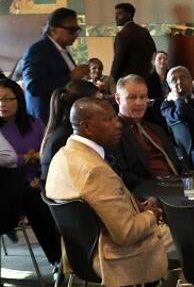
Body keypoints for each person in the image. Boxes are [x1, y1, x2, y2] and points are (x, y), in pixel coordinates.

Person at [45, 97, 173, 287]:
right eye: (108, 119)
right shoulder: (94, 169)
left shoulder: (63, 155)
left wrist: (136, 208)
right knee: (190, 234)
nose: (118, 124)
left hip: (80, 253)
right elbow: (127, 233)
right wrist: (151, 215)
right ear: (86, 127)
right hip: (113, 256)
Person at [0, 79, 61, 266]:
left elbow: (47, 154)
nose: (2, 104)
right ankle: (57, 260)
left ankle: (64, 258)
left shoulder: (35, 123)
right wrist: (23, 158)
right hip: (7, 186)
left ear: (18, 99)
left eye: (7, 99)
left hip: (37, 179)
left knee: (46, 199)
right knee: (35, 201)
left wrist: (40, 177)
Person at [109, 75, 189, 190]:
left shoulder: (156, 128)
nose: (139, 103)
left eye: (143, 97)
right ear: (118, 99)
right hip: (151, 193)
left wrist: (190, 179)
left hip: (180, 187)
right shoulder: (113, 132)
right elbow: (122, 175)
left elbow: (176, 161)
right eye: (132, 97)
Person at [21, 7, 90, 121]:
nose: (76, 35)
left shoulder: (62, 50)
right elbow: (33, 86)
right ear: (54, 30)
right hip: (46, 118)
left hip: (62, 115)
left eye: (77, 30)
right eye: (71, 30)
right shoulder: (38, 50)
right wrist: (71, 77)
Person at [38, 81, 102, 177]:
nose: (104, 108)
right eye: (98, 102)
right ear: (81, 106)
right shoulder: (65, 138)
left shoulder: (70, 131)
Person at [109, 2, 157, 82]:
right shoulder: (144, 31)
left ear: (129, 15)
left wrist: (112, 79)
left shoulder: (122, 35)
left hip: (130, 81)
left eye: (119, 14)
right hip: (148, 78)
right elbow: (154, 53)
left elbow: (118, 60)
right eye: (115, 14)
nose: (116, 17)